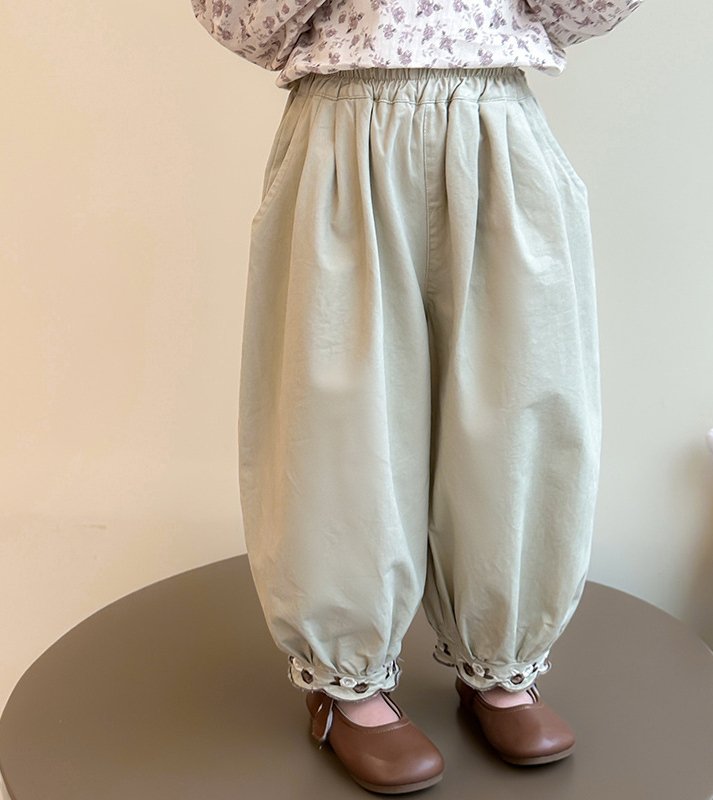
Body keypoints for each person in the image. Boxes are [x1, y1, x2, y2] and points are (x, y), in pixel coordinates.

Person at [191, 0, 644, 792]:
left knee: (521, 401)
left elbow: (578, 11)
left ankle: (500, 662)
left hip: (495, 124)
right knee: (339, 416)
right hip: (343, 131)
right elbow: (242, 24)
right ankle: (346, 683)